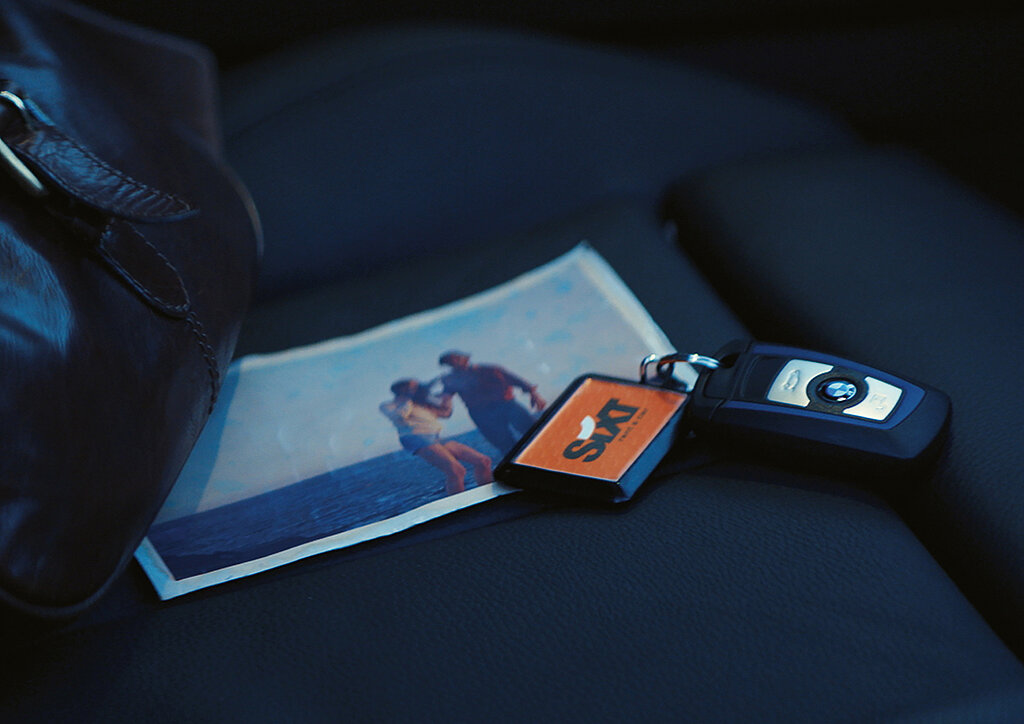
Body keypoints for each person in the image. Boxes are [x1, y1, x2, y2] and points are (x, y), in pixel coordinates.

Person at [379, 378, 494, 495]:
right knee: (456, 471)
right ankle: (459, 504)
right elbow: (400, 416)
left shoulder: (421, 403)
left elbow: (445, 413)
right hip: (415, 437)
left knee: (483, 461)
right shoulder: (389, 405)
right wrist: (408, 399)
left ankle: (487, 496)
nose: (418, 388)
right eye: (413, 387)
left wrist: (447, 396)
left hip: (435, 436)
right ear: (402, 390)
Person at [437, 351, 547, 455]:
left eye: (457, 360)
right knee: (507, 447)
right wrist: (439, 407)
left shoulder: (489, 369)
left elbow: (516, 380)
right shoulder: (451, 380)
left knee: (535, 432)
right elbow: (445, 397)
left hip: (507, 405)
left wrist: (535, 395)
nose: (455, 364)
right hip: (481, 415)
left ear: (465, 359)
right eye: (450, 363)